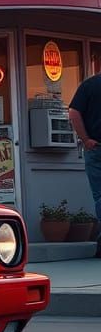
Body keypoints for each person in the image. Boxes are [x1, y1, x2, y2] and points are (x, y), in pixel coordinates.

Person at [69, 70, 101, 257]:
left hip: (95, 147)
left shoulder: (89, 85)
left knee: (100, 195)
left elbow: (73, 112)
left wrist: (85, 139)